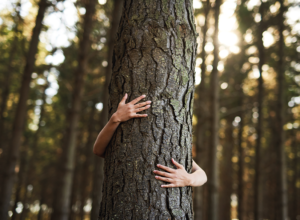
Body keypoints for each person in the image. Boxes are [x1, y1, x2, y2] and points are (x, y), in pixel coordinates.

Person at [93, 93, 207, 188]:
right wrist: (115, 119)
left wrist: (189, 179)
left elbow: (202, 175)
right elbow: (98, 150)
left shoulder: (176, 148)